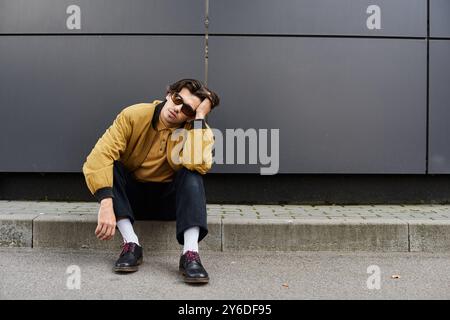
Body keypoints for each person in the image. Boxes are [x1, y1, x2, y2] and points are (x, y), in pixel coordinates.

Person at [82, 78, 220, 284]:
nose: (177, 109)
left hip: (169, 202)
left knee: (191, 172)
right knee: (114, 165)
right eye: (177, 99)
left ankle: (190, 254)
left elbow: (198, 163)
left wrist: (199, 117)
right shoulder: (133, 115)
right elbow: (99, 157)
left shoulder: (196, 129)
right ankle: (131, 244)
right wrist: (106, 201)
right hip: (131, 200)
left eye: (188, 110)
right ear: (168, 95)